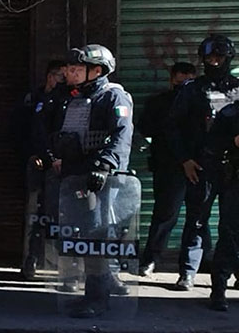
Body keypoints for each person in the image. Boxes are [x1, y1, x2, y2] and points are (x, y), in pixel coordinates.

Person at [33, 45, 134, 315]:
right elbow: (47, 127)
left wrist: (105, 165)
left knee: (95, 235)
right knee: (82, 234)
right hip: (71, 174)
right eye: (68, 68)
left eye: (76, 69)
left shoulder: (113, 97)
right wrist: (51, 155)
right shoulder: (66, 96)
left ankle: (97, 298)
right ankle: (102, 283)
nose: (69, 73)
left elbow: (121, 136)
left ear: (96, 71)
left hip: (98, 178)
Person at [167, 35, 239, 290]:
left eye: (219, 57)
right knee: (197, 220)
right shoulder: (192, 90)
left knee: (233, 223)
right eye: (210, 58)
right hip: (202, 165)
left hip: (233, 168)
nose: (215, 62)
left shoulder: (238, 89)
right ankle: (188, 272)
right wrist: (185, 160)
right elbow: (173, 128)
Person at [138, 61, 197, 275]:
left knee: (198, 219)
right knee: (164, 215)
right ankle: (151, 259)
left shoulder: (200, 101)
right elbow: (145, 127)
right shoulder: (160, 102)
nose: (184, 84)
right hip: (168, 166)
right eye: (180, 79)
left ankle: (191, 268)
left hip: (198, 165)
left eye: (189, 79)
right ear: (172, 78)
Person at [17, 60, 66, 278]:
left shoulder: (68, 99)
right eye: (59, 75)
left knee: (61, 214)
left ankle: (63, 265)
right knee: (35, 214)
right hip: (37, 164)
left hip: (61, 166)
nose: (63, 80)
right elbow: (21, 131)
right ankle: (31, 258)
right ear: (49, 76)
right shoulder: (32, 99)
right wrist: (32, 154)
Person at [205, 100, 239, 312]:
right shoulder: (230, 113)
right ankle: (219, 289)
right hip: (235, 182)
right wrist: (233, 142)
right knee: (230, 235)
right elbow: (212, 145)